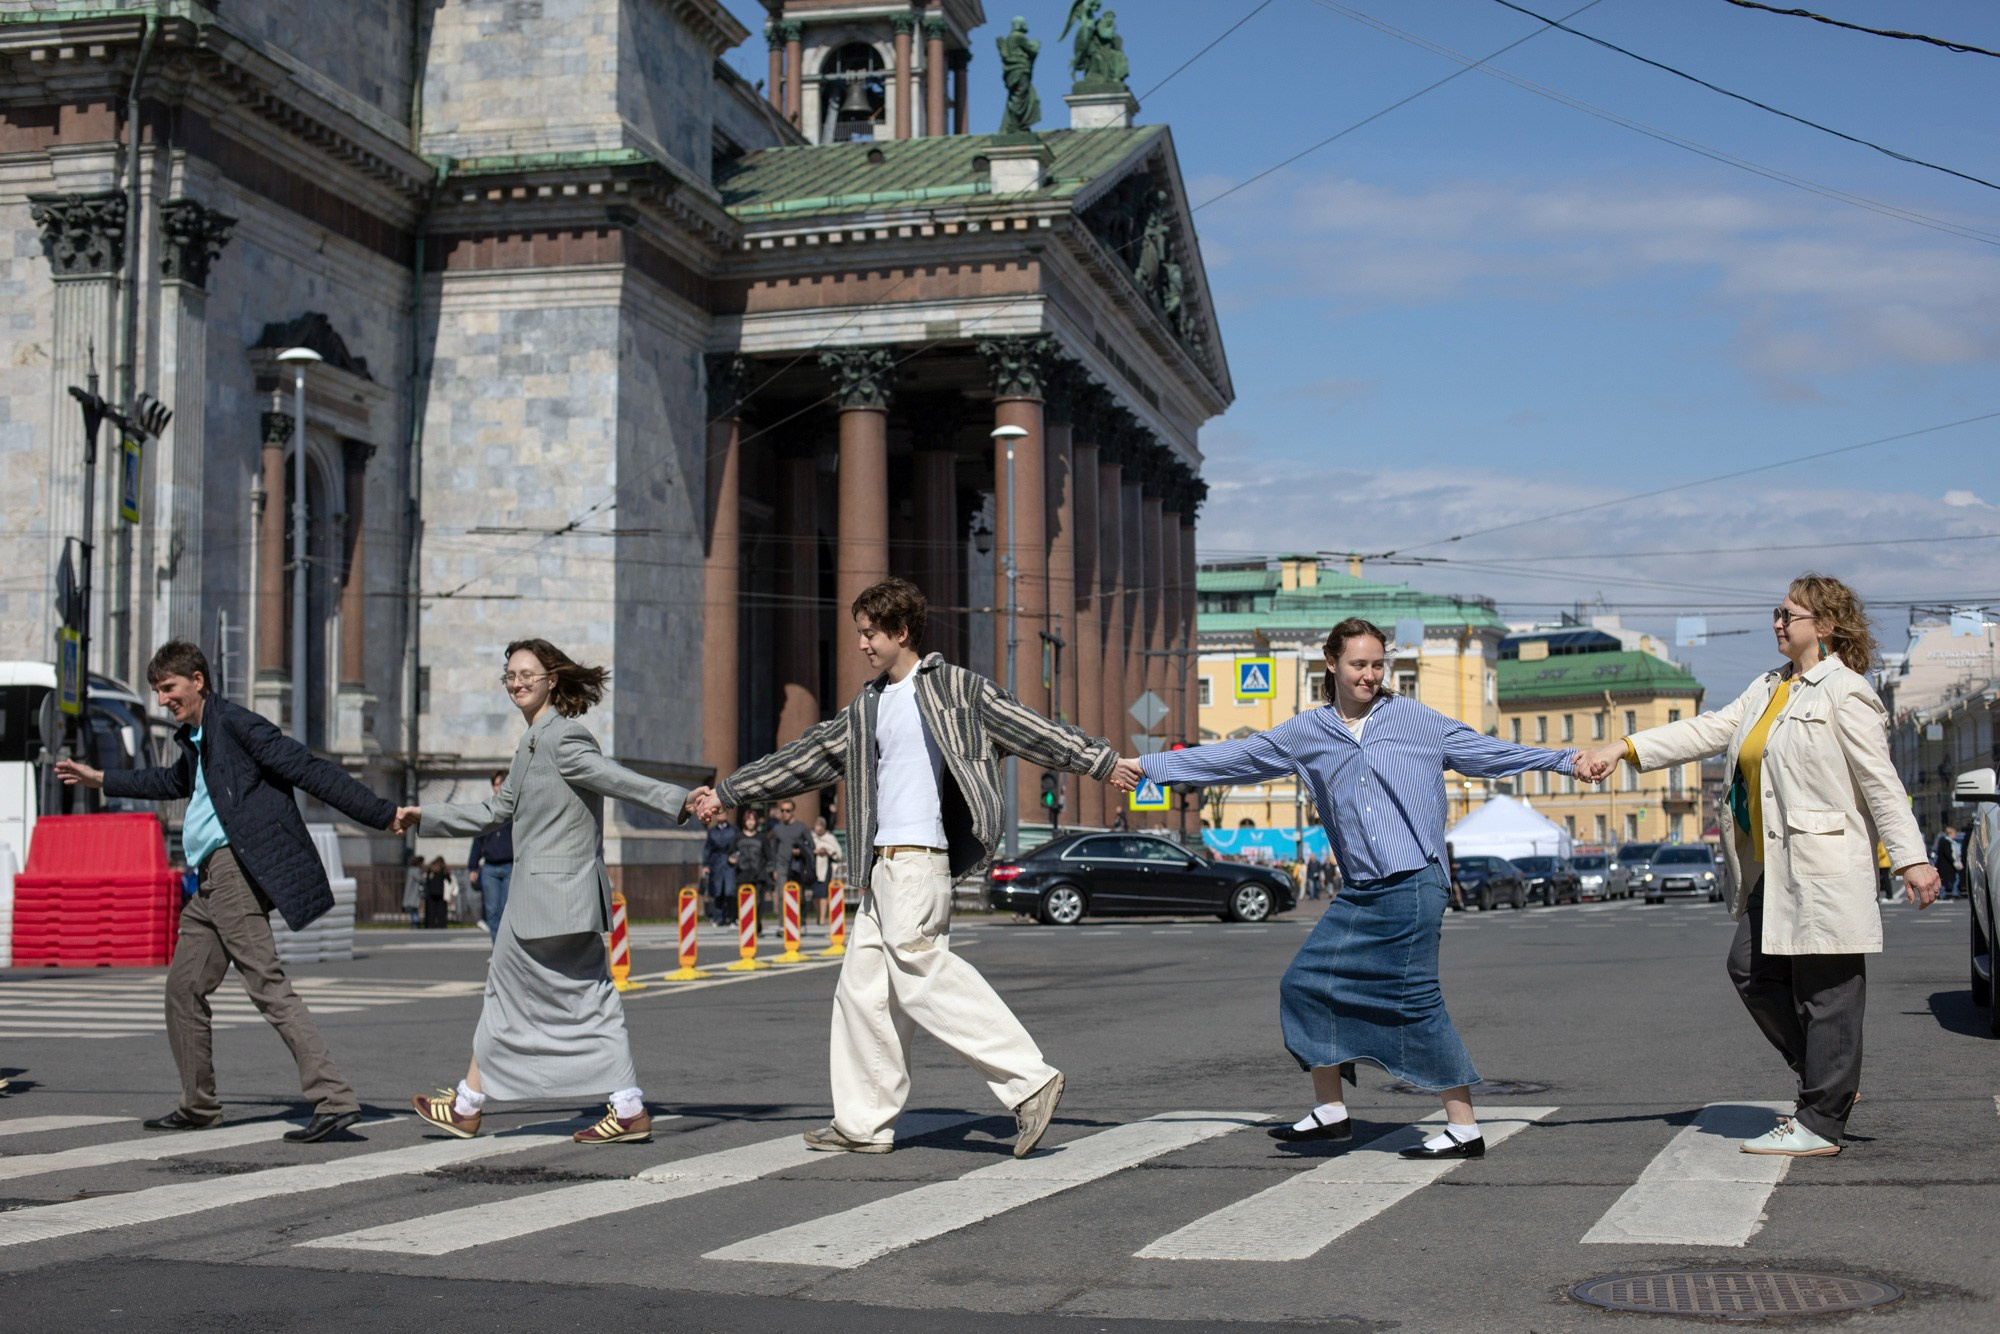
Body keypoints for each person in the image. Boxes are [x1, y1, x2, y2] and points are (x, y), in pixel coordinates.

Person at [1117, 617, 1589, 1160]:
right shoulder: (1308, 731)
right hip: (1362, 888)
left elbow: (1490, 752)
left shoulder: (1415, 719)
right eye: (1359, 664)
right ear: (1332, 665)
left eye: (1377, 664)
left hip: (1414, 880)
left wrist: (1563, 760)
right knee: (1306, 984)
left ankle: (1464, 1125)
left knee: (1414, 1003)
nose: (1370, 675)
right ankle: (1331, 1112)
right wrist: (1148, 765)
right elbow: (1234, 758)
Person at [689, 577, 1117, 1157]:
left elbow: (1031, 729)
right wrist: (730, 792)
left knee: (920, 975)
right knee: (863, 993)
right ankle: (864, 1123)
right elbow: (806, 757)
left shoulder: (957, 689)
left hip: (920, 860)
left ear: (901, 631)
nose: (862, 644)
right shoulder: (868, 706)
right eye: (860, 634)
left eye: (870, 633)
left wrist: (1101, 762)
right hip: (879, 867)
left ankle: (1029, 1080)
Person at [1579, 575, 1937, 1158]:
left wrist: (1911, 858)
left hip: (1825, 863)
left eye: (1788, 614)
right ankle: (1827, 1079)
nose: (1777, 621)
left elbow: (1881, 783)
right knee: (1750, 969)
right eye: (1777, 611)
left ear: (1824, 626)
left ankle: (1822, 1119)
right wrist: (1623, 749)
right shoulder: (1770, 688)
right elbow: (1706, 730)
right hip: (1774, 866)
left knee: (1829, 993)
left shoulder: (1845, 693)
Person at [56, 640, 394, 1143]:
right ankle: (198, 1106)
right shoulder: (198, 738)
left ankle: (334, 1098)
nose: (162, 700)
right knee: (184, 989)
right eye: (156, 692)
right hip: (209, 880)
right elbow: (169, 781)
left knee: (266, 983)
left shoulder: (235, 724)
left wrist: (382, 815)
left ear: (197, 679)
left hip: (235, 869)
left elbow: (307, 768)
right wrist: (102, 778)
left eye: (167, 688)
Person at [398, 637, 693, 1146]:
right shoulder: (531, 742)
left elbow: (613, 779)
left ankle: (616, 1107)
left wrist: (682, 801)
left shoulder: (562, 738)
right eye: (509, 675)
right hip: (546, 901)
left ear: (551, 680)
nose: (516, 682)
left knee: (565, 999)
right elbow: (495, 813)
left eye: (526, 674)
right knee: (527, 997)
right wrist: (427, 817)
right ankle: (476, 1104)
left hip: (553, 899)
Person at [468, 770, 514, 940]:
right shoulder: (487, 807)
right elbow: (478, 839)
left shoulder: (514, 809)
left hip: (510, 865)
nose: (498, 788)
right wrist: (473, 866)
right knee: (492, 911)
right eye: (495, 784)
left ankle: (506, 953)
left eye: (501, 784)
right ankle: (496, 950)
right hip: (489, 867)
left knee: (506, 909)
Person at [768, 798, 816, 916]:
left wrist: (801, 851)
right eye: (782, 810)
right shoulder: (777, 829)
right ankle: (782, 925)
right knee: (781, 895)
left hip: (797, 865)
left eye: (787, 810)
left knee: (799, 896)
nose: (785, 813)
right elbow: (773, 849)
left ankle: (799, 922)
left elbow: (811, 845)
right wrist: (773, 868)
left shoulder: (801, 826)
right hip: (782, 865)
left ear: (793, 811)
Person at [731, 807, 772, 936]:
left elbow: (769, 856)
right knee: (741, 901)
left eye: (753, 820)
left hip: (758, 874)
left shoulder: (762, 838)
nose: (750, 822)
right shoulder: (738, 837)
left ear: (756, 822)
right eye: (748, 820)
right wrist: (731, 859)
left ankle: (756, 925)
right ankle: (745, 924)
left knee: (757, 902)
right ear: (744, 821)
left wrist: (770, 872)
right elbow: (731, 853)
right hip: (742, 874)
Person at [701, 809, 739, 927]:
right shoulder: (712, 832)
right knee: (718, 891)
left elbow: (740, 846)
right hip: (716, 863)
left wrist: (736, 857)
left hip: (730, 863)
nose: (720, 815)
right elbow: (708, 849)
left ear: (727, 815)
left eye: (723, 813)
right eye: (718, 813)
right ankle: (718, 917)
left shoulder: (734, 830)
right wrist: (706, 865)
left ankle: (732, 917)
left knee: (730, 891)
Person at [811, 815, 843, 923]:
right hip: (813, 868)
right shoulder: (811, 837)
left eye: (821, 826)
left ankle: (822, 918)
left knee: (823, 894)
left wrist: (826, 851)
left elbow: (837, 853)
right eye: (817, 826)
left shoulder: (830, 838)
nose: (819, 828)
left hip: (825, 868)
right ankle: (818, 913)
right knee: (815, 895)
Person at [421, 856, 452, 930]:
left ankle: (429, 924)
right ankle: (441, 924)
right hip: (441, 892)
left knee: (430, 910)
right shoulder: (443, 869)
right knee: (441, 910)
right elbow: (449, 880)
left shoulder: (430, 869)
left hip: (430, 891)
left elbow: (427, 880)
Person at [1934, 825, 1960, 900]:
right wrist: (1954, 861)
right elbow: (1948, 853)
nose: (1956, 835)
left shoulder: (1944, 841)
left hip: (1945, 865)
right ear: (1950, 834)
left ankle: (1945, 894)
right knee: (1954, 879)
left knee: (1946, 880)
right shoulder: (1946, 842)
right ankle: (1950, 893)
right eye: (1955, 833)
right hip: (1947, 865)